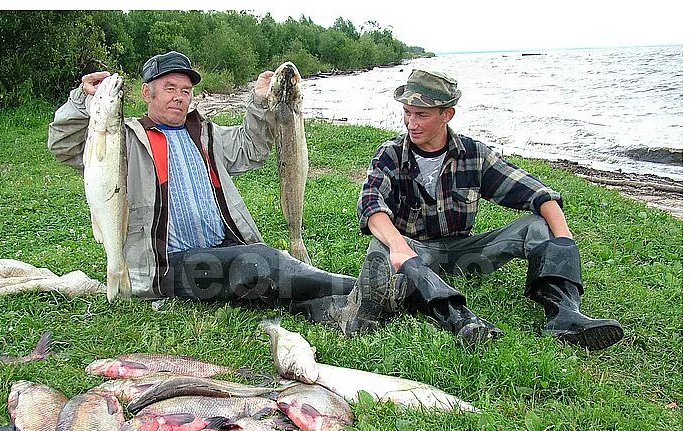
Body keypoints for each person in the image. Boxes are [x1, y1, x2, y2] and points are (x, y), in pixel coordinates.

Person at [301, 69, 623, 351]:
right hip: (412, 256)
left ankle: (564, 315)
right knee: (380, 246)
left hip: (463, 253)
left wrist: (564, 241)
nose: (411, 123)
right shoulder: (389, 154)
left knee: (540, 227)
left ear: (447, 114)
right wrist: (400, 248)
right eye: (407, 113)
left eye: (422, 115)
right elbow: (371, 205)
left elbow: (538, 193)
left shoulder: (473, 154)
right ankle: (459, 318)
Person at [48, 50, 354, 309]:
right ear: (147, 93)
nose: (179, 97)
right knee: (261, 263)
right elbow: (64, 145)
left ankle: (339, 307)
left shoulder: (205, 134)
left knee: (267, 276)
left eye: (185, 91)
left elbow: (252, 148)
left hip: (221, 248)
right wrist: (80, 101)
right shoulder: (122, 140)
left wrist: (260, 101)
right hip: (168, 265)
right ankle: (359, 289)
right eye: (170, 88)